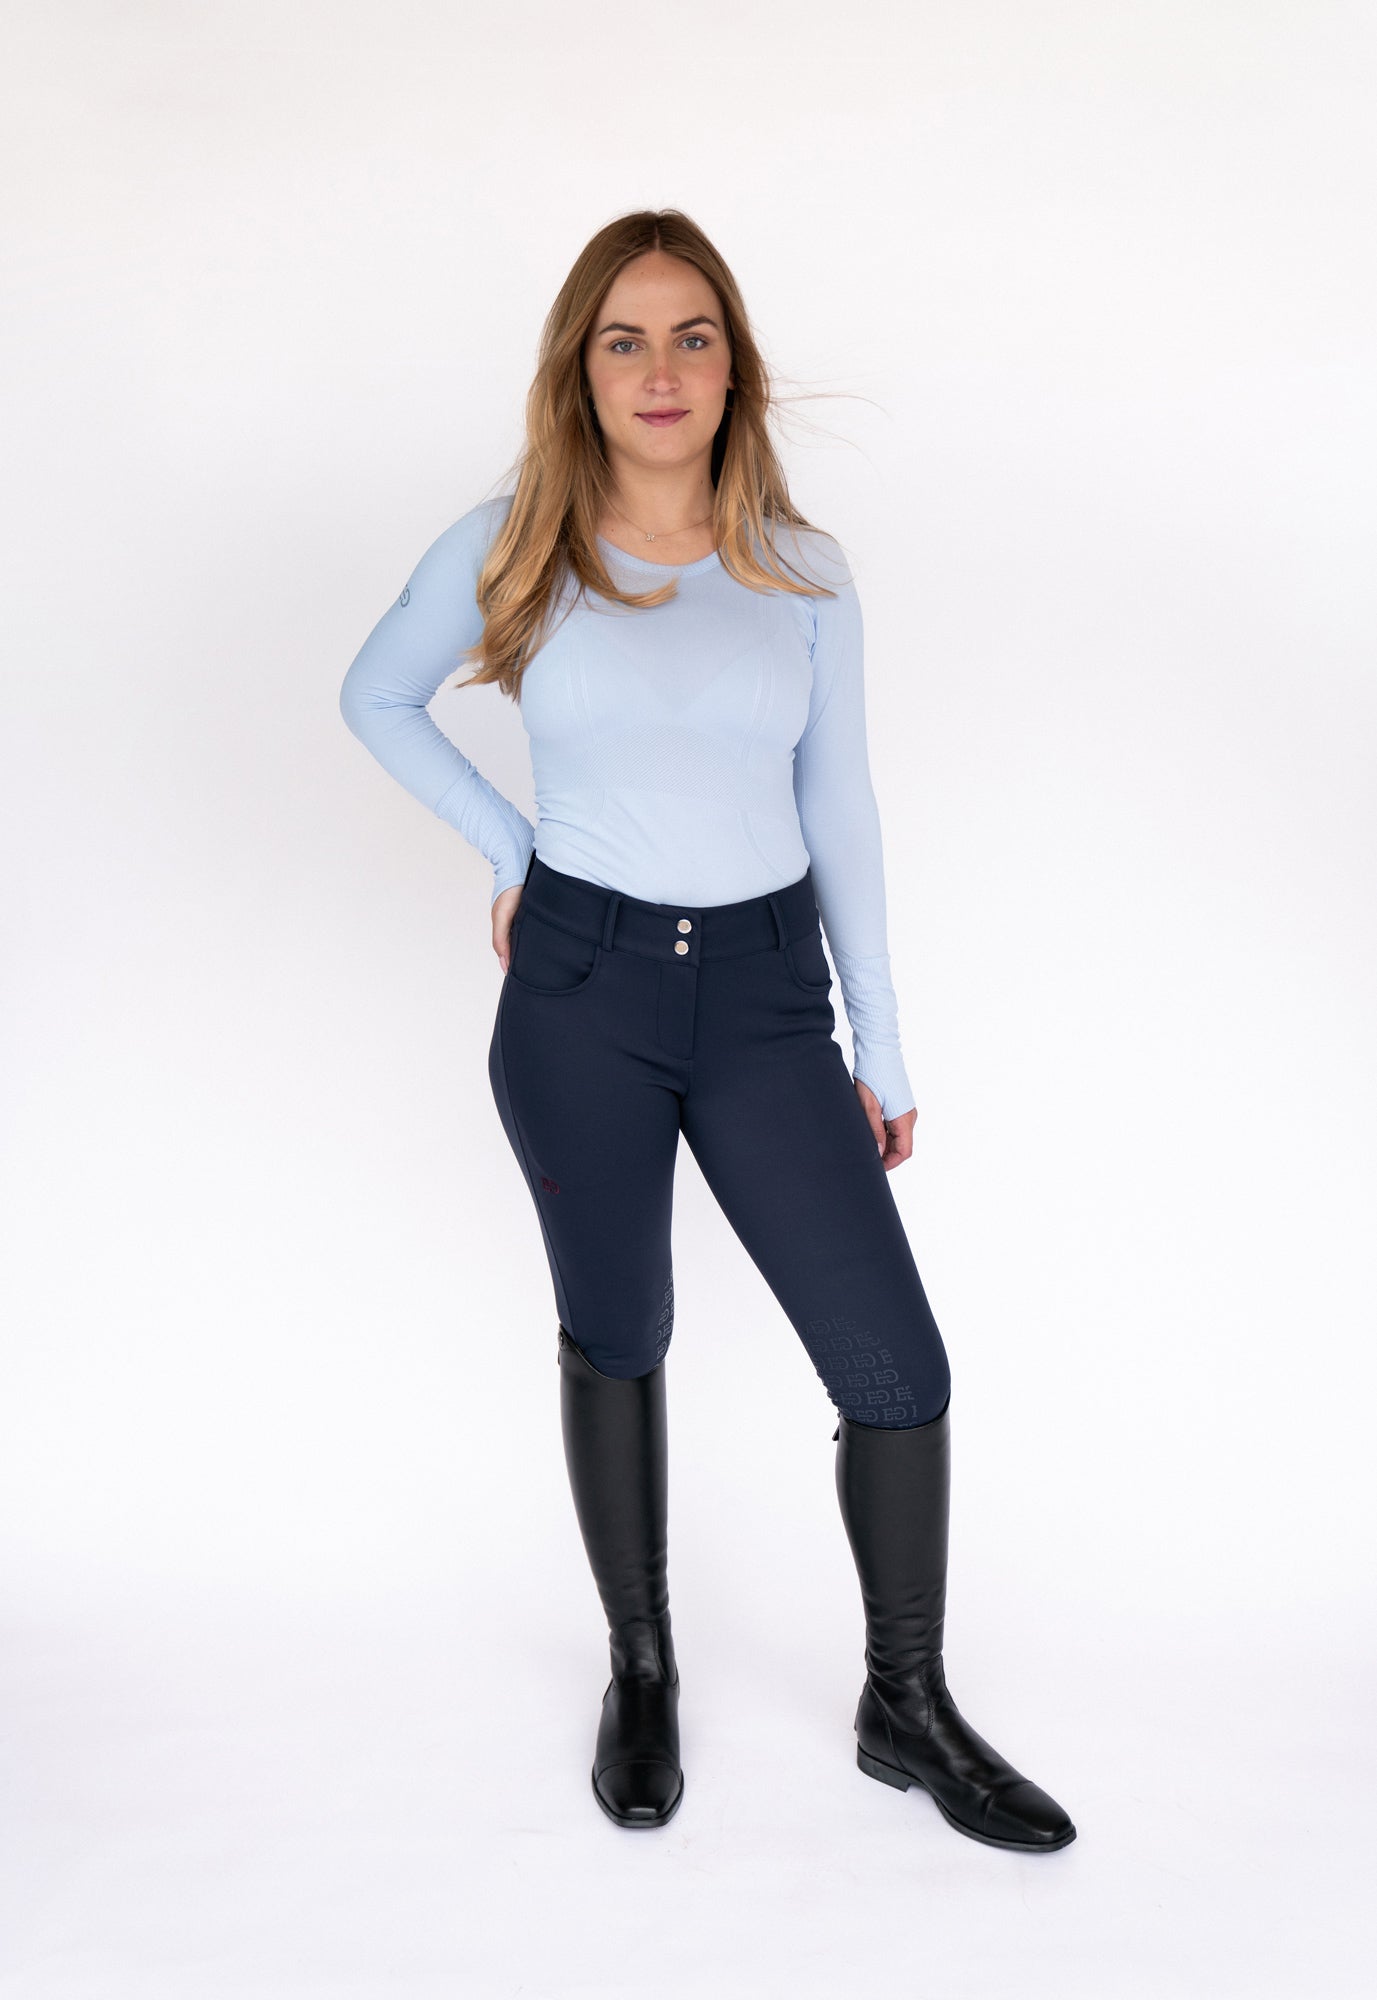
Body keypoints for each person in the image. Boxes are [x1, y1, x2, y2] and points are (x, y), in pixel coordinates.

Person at [338, 208, 1075, 1852]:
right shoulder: (513, 542)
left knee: (895, 1371)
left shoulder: (800, 570)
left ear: (732, 365)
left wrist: (879, 1041)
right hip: (580, 993)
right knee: (621, 1332)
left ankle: (906, 1704)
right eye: (624, 340)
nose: (659, 370)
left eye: (691, 337)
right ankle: (643, 1668)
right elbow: (373, 696)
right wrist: (515, 855)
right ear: (579, 371)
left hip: (762, 998)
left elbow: (840, 804)